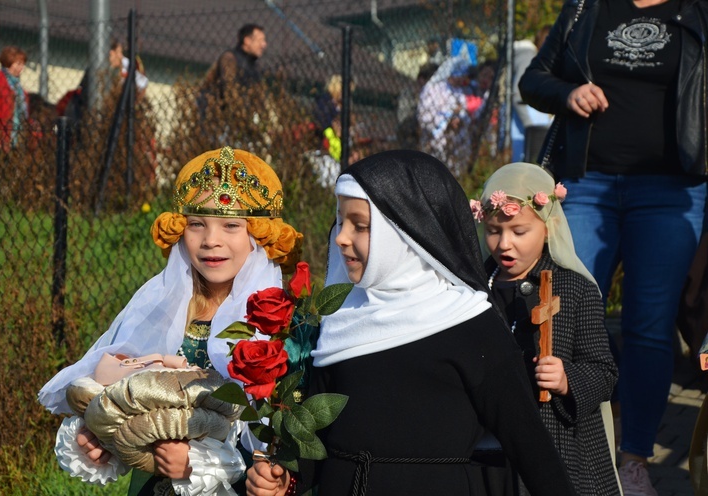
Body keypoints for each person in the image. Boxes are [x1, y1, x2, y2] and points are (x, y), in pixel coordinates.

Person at [246, 150, 577, 496]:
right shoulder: (345, 317)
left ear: (406, 233)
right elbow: (318, 436)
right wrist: (285, 478)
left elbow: (530, 446)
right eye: (340, 220)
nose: (342, 237)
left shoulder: (469, 324)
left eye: (360, 225)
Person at [518, 0, 708, 493]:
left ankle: (635, 460)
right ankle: (566, 444)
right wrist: (570, 92)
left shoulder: (698, 11)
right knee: (565, 311)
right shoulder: (589, 6)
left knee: (650, 324)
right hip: (588, 184)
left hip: (672, 190)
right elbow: (533, 80)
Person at [38, 146, 304, 496]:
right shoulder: (163, 308)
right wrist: (104, 434)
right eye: (197, 223)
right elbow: (124, 397)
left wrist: (196, 462)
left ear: (260, 234)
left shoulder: (282, 325)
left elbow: (284, 437)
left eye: (230, 225)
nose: (211, 240)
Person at [474, 162, 620, 495]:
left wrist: (567, 379)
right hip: (488, 452)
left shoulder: (575, 289)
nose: (504, 244)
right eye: (494, 231)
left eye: (519, 232)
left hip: (558, 447)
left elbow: (604, 371)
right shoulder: (472, 288)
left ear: (548, 227)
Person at [510, 26, 552, 162]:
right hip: (524, 125)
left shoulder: (532, 56)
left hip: (529, 124)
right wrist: (530, 125)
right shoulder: (528, 55)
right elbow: (517, 92)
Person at [0, 45, 29, 152]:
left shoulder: (20, 89)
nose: (21, 68)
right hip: (2, 140)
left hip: (19, 138)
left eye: (23, 64)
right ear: (8, 62)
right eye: (18, 64)